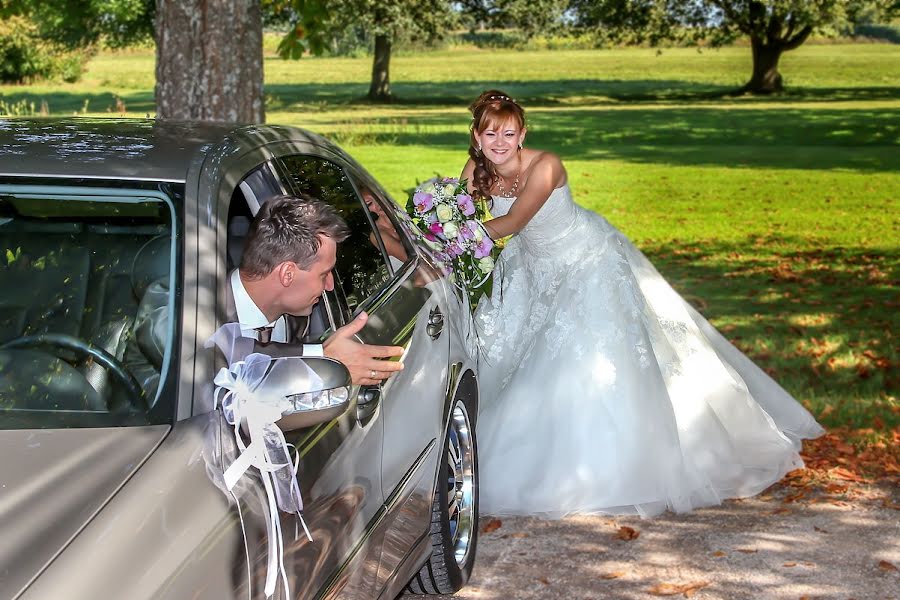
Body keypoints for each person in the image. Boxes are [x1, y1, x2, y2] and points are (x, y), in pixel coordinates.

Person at [460, 90, 824, 518]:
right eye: (490, 133)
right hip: (532, 268)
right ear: (477, 136)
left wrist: (452, 237)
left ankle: (610, 466)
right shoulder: (476, 168)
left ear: (523, 133)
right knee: (506, 351)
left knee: (578, 358)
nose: (499, 141)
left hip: (585, 262)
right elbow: (456, 207)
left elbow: (512, 222)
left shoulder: (546, 165)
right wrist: (434, 223)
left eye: (508, 132)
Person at [227, 194, 404, 386]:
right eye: (324, 274)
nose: (330, 286)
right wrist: (322, 360)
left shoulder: (299, 315)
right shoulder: (198, 318)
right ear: (287, 274)